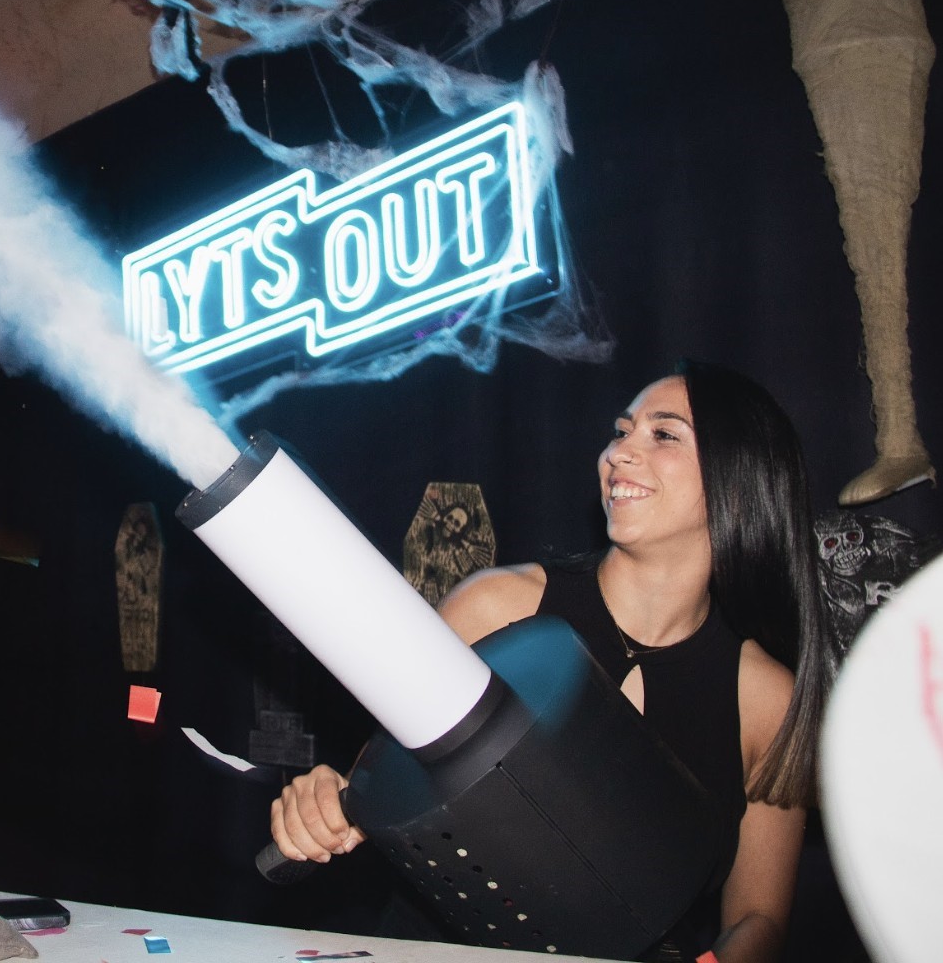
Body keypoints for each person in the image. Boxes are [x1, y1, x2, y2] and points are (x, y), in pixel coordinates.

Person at [270, 360, 829, 963]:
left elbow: (758, 917)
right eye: (621, 431)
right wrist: (323, 806)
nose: (618, 453)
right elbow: (371, 792)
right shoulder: (496, 609)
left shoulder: (768, 698)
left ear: (740, 481)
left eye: (663, 434)